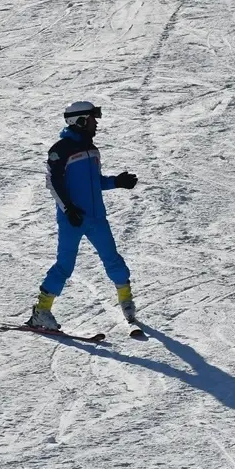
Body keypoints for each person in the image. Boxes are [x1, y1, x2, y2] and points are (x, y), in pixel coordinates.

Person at [27, 101, 139, 330]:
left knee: (113, 260)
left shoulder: (92, 150)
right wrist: (68, 209)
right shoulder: (60, 150)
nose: (95, 123)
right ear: (78, 121)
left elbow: (94, 182)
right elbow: (53, 183)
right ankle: (41, 311)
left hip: (97, 218)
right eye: (91, 118)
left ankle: (127, 303)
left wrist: (116, 182)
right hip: (72, 220)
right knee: (64, 266)